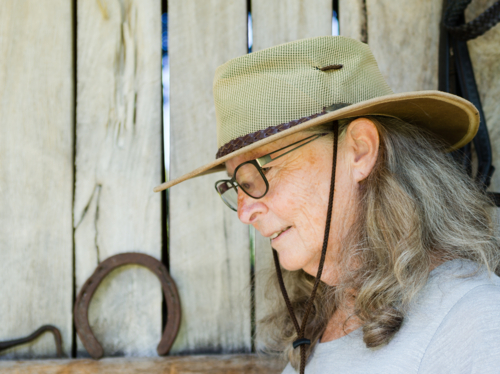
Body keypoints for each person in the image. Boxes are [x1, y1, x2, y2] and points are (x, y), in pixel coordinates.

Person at [154, 36, 500, 373]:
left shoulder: (474, 320)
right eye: (238, 186)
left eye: (262, 170)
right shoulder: (322, 317)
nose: (245, 212)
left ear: (359, 151)